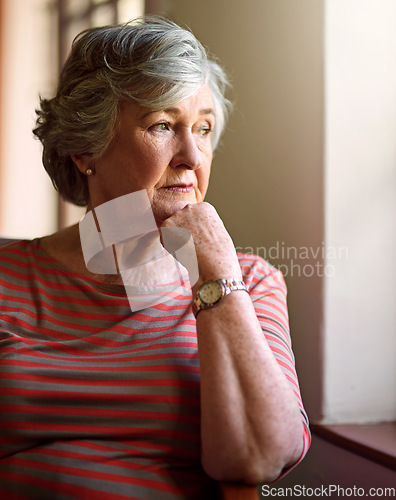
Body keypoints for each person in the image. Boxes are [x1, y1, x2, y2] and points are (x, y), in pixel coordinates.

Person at [0, 17, 310, 499]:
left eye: (203, 128)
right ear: (85, 149)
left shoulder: (249, 280)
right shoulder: (7, 279)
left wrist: (215, 270)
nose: (192, 155)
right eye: (163, 125)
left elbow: (260, 456)